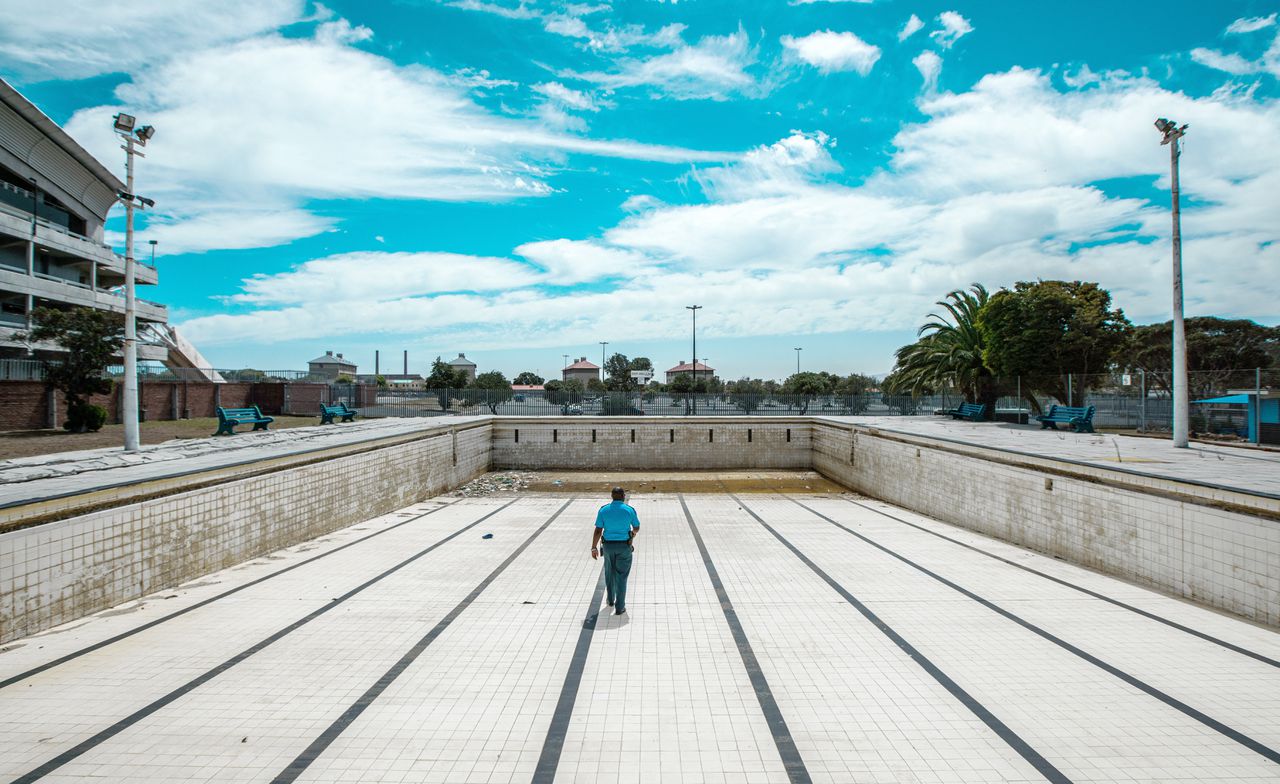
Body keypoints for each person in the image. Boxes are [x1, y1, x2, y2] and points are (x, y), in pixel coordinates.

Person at [591, 486, 639, 615]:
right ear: (623, 496)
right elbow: (636, 527)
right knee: (622, 576)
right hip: (624, 547)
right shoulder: (629, 510)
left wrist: (594, 547)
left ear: (612, 496)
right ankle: (620, 607)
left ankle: (610, 599)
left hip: (608, 546)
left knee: (609, 572)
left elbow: (598, 530)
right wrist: (632, 534)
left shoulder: (603, 510)